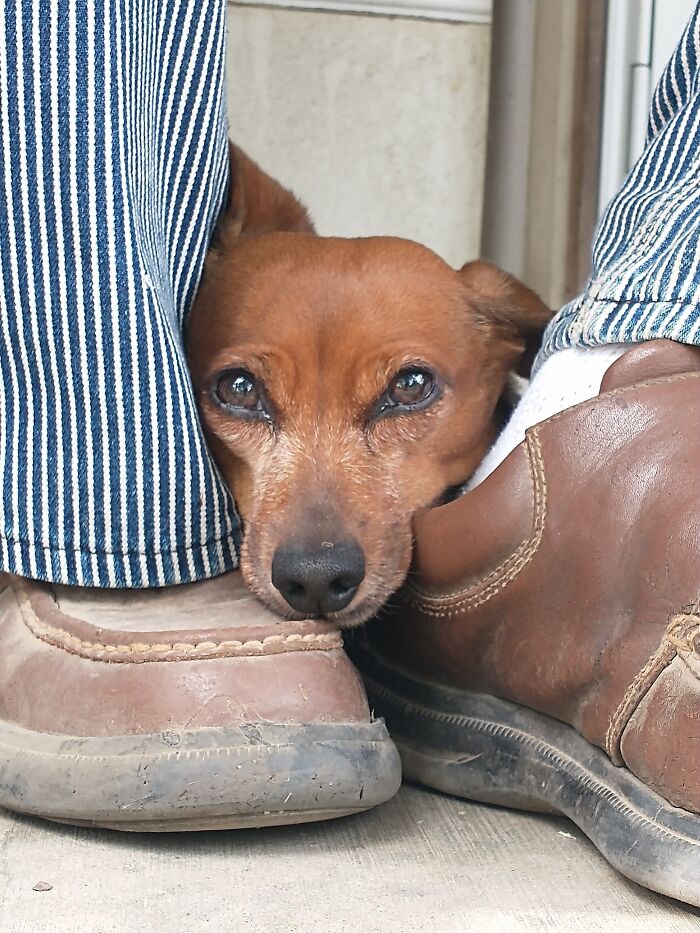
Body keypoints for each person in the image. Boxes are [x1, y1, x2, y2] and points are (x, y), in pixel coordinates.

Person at [1, 0, 699, 904]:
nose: (316, 548)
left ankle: (588, 414)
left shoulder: (488, 326)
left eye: (404, 393)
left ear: (509, 359)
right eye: (243, 393)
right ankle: (94, 530)